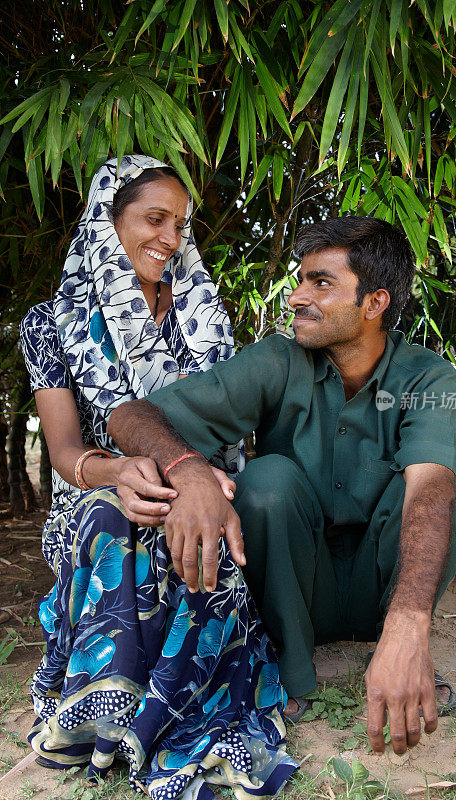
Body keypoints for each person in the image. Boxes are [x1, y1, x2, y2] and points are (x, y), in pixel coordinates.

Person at [108, 216, 456, 757]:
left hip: (385, 588)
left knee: (442, 490)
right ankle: (289, 670)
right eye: (299, 280)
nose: (296, 297)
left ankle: (396, 647)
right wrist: (187, 468)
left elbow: (428, 491)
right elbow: (130, 417)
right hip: (300, 587)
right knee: (267, 479)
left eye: (320, 283)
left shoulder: (428, 377)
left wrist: (409, 623)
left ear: (374, 303)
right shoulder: (278, 360)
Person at [19, 155, 297, 799]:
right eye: (154, 219)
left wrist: (193, 480)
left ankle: (186, 704)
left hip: (200, 481)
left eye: (181, 224)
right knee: (115, 515)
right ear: (106, 221)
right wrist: (118, 471)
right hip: (98, 493)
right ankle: (107, 709)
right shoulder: (52, 322)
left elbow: (227, 418)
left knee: (203, 515)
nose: (170, 240)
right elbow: (64, 450)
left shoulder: (200, 310)